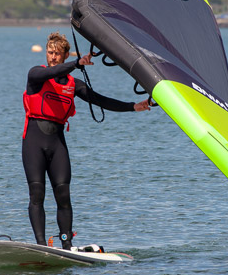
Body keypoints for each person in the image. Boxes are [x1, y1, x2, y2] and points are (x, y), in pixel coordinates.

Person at [22, 31, 151, 250]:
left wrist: (133, 106)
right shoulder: (36, 75)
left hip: (57, 143)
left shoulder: (73, 84)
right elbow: (54, 71)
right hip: (34, 142)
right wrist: (76, 63)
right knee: (37, 193)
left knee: (63, 194)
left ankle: (66, 244)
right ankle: (42, 245)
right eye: (50, 52)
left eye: (57, 54)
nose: (52, 57)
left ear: (64, 55)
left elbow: (100, 100)